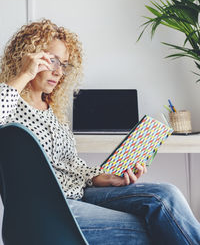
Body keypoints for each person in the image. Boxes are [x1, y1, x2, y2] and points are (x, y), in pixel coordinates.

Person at [0, 19, 199, 245]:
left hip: (79, 192)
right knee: (145, 226)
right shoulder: (11, 102)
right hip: (48, 208)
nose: (59, 72)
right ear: (29, 57)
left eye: (64, 64)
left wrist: (102, 177)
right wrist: (24, 74)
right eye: (51, 60)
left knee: (165, 197)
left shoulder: (52, 109)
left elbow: (70, 164)